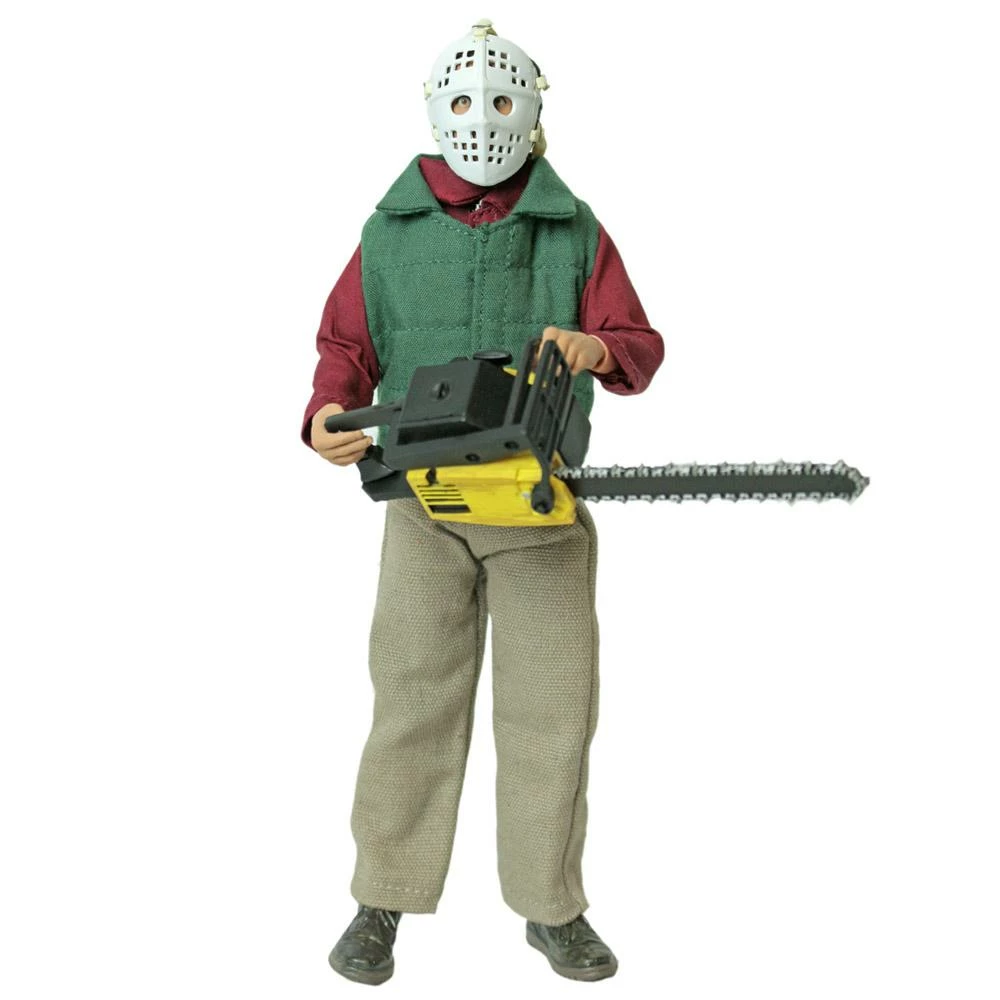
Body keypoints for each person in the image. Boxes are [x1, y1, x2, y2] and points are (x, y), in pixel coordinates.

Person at [302, 19, 663, 984]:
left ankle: (552, 906)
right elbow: (345, 346)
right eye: (464, 102)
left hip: (539, 509)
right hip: (423, 506)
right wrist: (326, 412)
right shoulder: (389, 232)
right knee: (410, 702)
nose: (483, 121)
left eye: (503, 102)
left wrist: (597, 347)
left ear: (531, 113)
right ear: (437, 112)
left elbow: (637, 340)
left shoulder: (572, 226)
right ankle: (381, 896)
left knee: (553, 712)